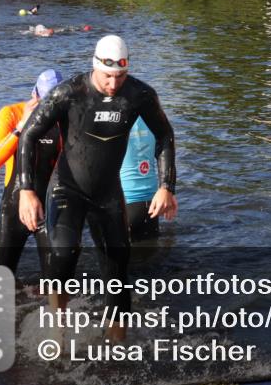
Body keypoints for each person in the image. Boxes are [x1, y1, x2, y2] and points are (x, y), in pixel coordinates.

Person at [17, 35, 176, 342]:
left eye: (120, 76)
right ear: (95, 67)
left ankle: (117, 344)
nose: (114, 84)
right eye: (107, 76)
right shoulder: (69, 93)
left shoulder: (139, 94)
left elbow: (165, 136)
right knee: (63, 255)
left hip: (108, 193)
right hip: (67, 189)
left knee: (117, 271)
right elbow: (29, 135)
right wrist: (27, 190)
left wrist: (166, 186)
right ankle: (57, 330)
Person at [0, 70, 63, 273]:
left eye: (54, 101)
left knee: (56, 280)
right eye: (44, 100)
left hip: (49, 207)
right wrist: (21, 127)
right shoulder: (11, 114)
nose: (48, 108)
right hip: (14, 206)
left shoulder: (65, 118)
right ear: (34, 94)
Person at [118, 117, 163, 240]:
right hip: (152, 205)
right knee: (150, 255)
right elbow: (164, 153)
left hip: (123, 203)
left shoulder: (112, 113)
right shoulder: (152, 115)